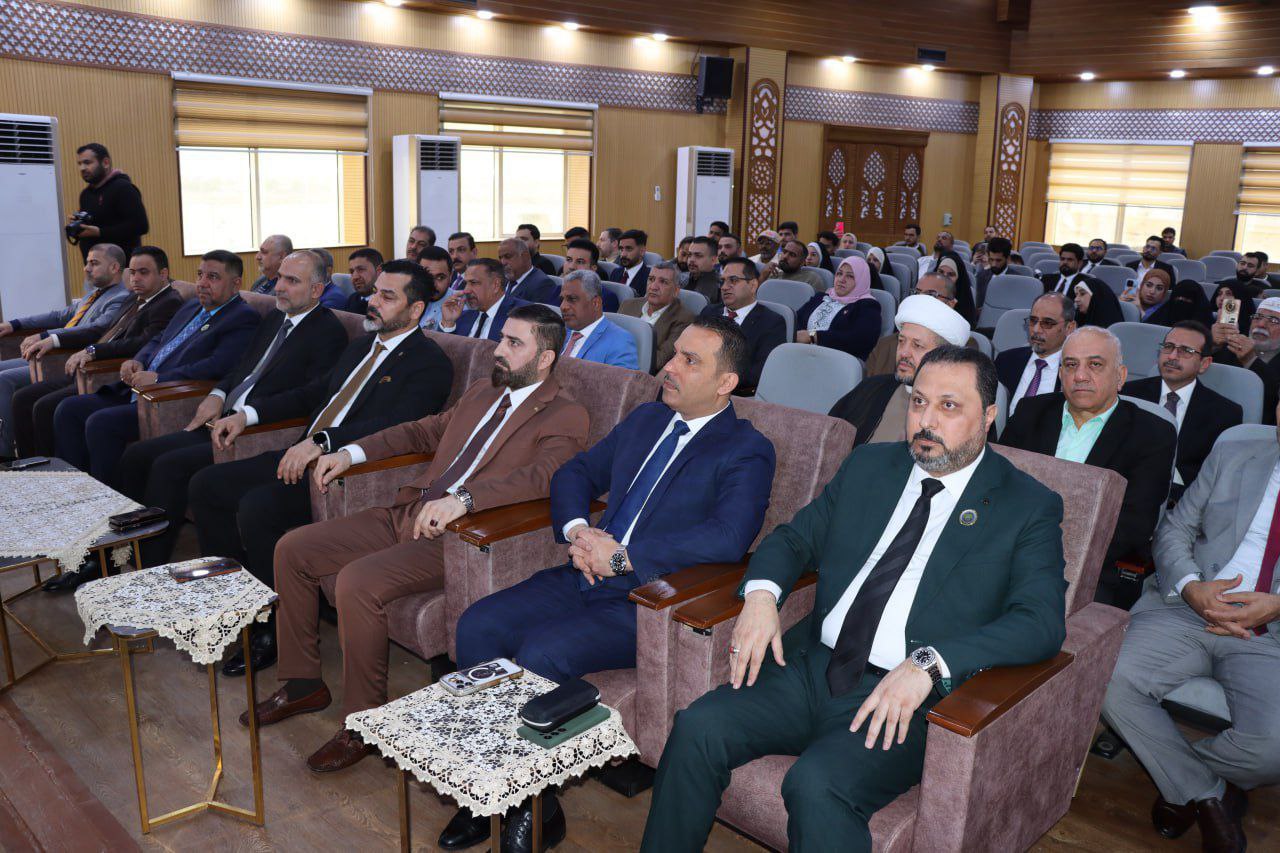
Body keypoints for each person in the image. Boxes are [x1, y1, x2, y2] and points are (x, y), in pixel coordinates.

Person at [642, 345, 1068, 853]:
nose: (926, 421)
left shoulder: (1027, 505)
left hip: (901, 696)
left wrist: (931, 663)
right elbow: (793, 540)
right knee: (697, 727)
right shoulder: (870, 466)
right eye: (918, 402)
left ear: (989, 415)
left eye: (949, 406)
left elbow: (1040, 621)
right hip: (809, 666)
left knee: (816, 786)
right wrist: (760, 598)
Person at [450, 316, 775, 851]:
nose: (668, 367)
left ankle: (531, 806)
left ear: (726, 383)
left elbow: (727, 537)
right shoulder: (648, 418)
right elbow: (575, 473)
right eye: (673, 353)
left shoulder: (746, 448)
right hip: (581, 570)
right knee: (478, 626)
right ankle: (500, 791)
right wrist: (580, 532)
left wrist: (622, 558)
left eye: (689, 360)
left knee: (540, 653)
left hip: (645, 600)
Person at [243, 305, 589, 774]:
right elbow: (422, 431)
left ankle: (362, 723)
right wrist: (350, 451)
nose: (498, 350)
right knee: (293, 549)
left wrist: (465, 499)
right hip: (410, 510)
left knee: (356, 581)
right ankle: (303, 683)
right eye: (500, 338)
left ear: (545, 358)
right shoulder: (483, 391)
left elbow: (545, 476)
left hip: (460, 538)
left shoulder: (566, 414)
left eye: (513, 343)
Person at [190, 260, 454, 675]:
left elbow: (398, 425)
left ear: (416, 309)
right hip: (301, 451)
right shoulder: (361, 346)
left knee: (258, 508)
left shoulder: (428, 362)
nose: (373, 301)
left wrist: (324, 442)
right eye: (375, 292)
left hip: (342, 473)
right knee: (207, 484)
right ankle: (234, 607)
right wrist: (248, 414)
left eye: (387, 296)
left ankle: (272, 631)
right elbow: (314, 393)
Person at [1102, 414, 1280, 853]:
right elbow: (1174, 528)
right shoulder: (1236, 448)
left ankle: (1181, 780)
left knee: (1272, 749)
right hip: (1187, 608)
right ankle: (1210, 794)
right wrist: (1190, 587)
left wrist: (1277, 604)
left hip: (1269, 635)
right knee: (1105, 675)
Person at [115, 250, 348, 567]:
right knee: (137, 455)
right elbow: (242, 367)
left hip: (256, 432)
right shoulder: (275, 318)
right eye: (280, 278)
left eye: (292, 281)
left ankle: (157, 565)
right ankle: (128, 551)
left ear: (316, 290)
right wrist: (218, 393)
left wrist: (248, 415)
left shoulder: (328, 332)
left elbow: (311, 396)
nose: (279, 287)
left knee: (170, 466)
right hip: (223, 419)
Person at [1000, 326, 1177, 607]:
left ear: (1120, 377)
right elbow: (997, 485)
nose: (1080, 376)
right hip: (1007, 551)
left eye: (1095, 365)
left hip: (1090, 570)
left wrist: (1043, 553)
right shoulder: (1029, 412)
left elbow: (1133, 526)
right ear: (1061, 374)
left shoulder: (1152, 434)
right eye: (1071, 365)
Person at [51, 250, 261, 486]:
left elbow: (216, 366)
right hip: (135, 388)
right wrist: (138, 360)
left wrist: (159, 378)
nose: (202, 283)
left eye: (212, 277)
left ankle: (109, 498)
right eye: (199, 274)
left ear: (236, 283)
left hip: (166, 398)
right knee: (68, 409)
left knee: (101, 423)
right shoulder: (192, 306)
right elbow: (158, 339)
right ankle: (74, 486)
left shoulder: (243, 317)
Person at [10, 246, 183, 461]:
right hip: (87, 368)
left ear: (163, 274)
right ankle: (33, 465)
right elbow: (102, 331)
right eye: (132, 272)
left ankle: (63, 471)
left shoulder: (169, 302)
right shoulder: (134, 298)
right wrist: (62, 342)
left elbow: (140, 343)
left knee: (51, 407)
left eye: (143, 272)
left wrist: (93, 351)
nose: (135, 278)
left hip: (107, 373)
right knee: (24, 398)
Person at [0, 243, 131, 458]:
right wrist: (15, 324)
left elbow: (94, 329)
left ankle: (5, 454)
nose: (86, 268)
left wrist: (47, 337)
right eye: (87, 263)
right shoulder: (93, 295)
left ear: (114, 267)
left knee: (5, 380)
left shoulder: (120, 298)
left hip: (67, 359)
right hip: (50, 355)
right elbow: (59, 316)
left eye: (94, 263)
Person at [830, 293, 970, 445]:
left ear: (944, 356)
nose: (904, 353)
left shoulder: (959, 413)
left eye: (917, 345)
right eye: (901, 341)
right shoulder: (871, 387)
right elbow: (826, 438)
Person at [1123, 322, 1242, 500]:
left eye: (1186, 351)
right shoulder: (1128, 394)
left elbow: (1214, 478)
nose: (1172, 356)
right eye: (1168, 347)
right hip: (1124, 491)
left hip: (1181, 501)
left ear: (1204, 364)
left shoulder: (1225, 414)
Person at [863, 274, 983, 376]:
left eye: (931, 295)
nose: (920, 299)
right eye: (916, 292)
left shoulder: (965, 348)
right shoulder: (883, 346)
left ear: (950, 304)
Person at [699, 257, 785, 395]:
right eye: (722, 281)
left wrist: (712, 379)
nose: (724, 287)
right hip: (697, 384)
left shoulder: (772, 323)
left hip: (736, 394)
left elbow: (758, 373)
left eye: (733, 280)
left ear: (753, 285)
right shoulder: (709, 311)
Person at [996, 292, 1075, 416]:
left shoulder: (1075, 372)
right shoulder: (1005, 361)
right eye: (1033, 321)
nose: (1036, 329)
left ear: (1069, 328)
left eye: (1047, 323)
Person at [68, 143, 148, 262]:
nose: (82, 168)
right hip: (93, 267)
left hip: (121, 267)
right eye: (79, 164)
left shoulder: (123, 188)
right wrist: (79, 225)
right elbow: (96, 223)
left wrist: (100, 232)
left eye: (87, 162)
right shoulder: (85, 194)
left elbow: (140, 226)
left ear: (105, 163)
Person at [795, 256, 881, 360]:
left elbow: (858, 340)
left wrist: (812, 336)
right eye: (839, 274)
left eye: (850, 276)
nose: (842, 280)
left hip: (836, 362)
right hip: (801, 353)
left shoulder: (868, 306)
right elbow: (796, 320)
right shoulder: (821, 297)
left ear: (861, 281)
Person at [1213, 298, 1280, 426]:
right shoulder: (1231, 347)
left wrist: (1251, 360)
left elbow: (1274, 397)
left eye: (1273, 320)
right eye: (1257, 317)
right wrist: (1213, 346)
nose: (1261, 324)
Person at [619, 261, 694, 372]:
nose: (653, 287)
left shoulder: (684, 319)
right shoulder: (627, 305)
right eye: (651, 279)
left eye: (663, 282)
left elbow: (659, 360)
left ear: (676, 291)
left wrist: (617, 354)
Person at [558, 270, 639, 370]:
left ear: (595, 303)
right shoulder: (558, 332)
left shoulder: (620, 341)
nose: (563, 306)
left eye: (572, 299)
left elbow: (623, 380)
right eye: (562, 299)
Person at [441, 258, 531, 341]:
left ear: (496, 285)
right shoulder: (462, 316)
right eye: (466, 283)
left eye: (473, 282)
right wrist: (449, 322)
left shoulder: (523, 315)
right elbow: (448, 350)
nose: (466, 290)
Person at [563, 238, 619, 311]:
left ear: (593, 269)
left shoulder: (605, 298)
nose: (571, 267)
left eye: (580, 262)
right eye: (569, 259)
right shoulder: (558, 289)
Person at [499, 237, 559, 305]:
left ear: (525, 256)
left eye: (508, 256)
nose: (503, 262)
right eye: (500, 258)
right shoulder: (502, 279)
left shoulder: (542, 285)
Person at [414, 246, 454, 331]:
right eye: (427, 276)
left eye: (440, 277)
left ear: (451, 276)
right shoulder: (407, 301)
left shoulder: (461, 307)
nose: (433, 284)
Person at [1145, 280, 1213, 328]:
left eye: (1187, 299)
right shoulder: (1158, 319)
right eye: (1178, 299)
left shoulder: (1206, 326)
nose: (1181, 302)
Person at [933, 251, 976, 325]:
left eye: (950, 274)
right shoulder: (926, 293)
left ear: (958, 279)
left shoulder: (964, 303)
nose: (944, 278)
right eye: (941, 272)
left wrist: (951, 313)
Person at [609, 229, 651, 296]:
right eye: (621, 249)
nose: (623, 254)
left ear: (642, 251)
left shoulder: (649, 278)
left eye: (628, 249)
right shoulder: (615, 273)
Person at [343, 248, 383, 315]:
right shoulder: (352, 299)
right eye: (352, 272)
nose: (355, 277)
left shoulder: (388, 303)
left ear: (379, 271)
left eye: (361, 269)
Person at [975, 236, 1013, 308]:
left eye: (998, 260)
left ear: (1008, 259)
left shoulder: (1017, 279)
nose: (994, 264)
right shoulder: (981, 276)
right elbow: (979, 305)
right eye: (991, 259)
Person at [683, 236, 722, 305]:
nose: (691, 259)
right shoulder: (681, 279)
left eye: (698, 255)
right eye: (689, 255)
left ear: (713, 260)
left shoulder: (720, 286)